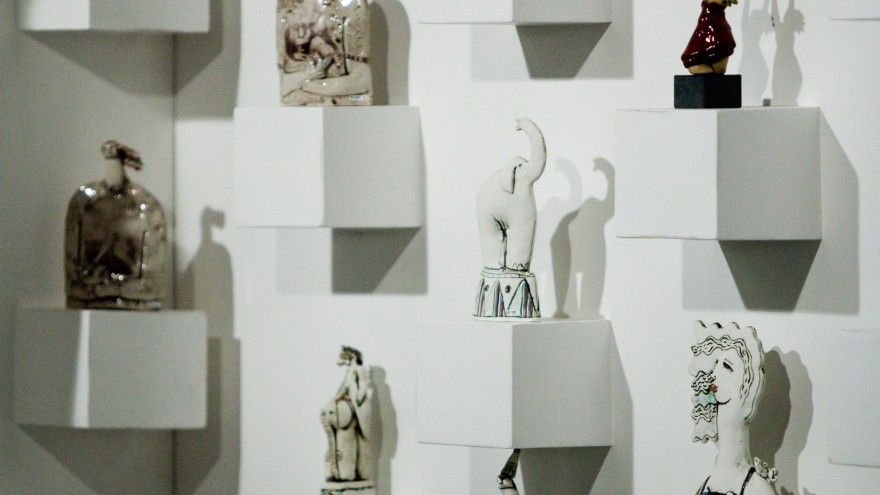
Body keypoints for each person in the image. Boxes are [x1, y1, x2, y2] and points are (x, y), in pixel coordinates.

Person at [689, 322, 776, 495]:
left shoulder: (756, 489)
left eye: (727, 367)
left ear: (748, 387)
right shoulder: (706, 484)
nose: (714, 374)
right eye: (716, 364)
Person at [321, 346, 372, 483]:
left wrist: (357, 400)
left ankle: (362, 472)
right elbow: (343, 389)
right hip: (350, 408)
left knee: (362, 442)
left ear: (352, 356)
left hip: (358, 408)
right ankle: (344, 472)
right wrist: (335, 399)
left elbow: (362, 386)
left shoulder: (359, 369)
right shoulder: (349, 371)